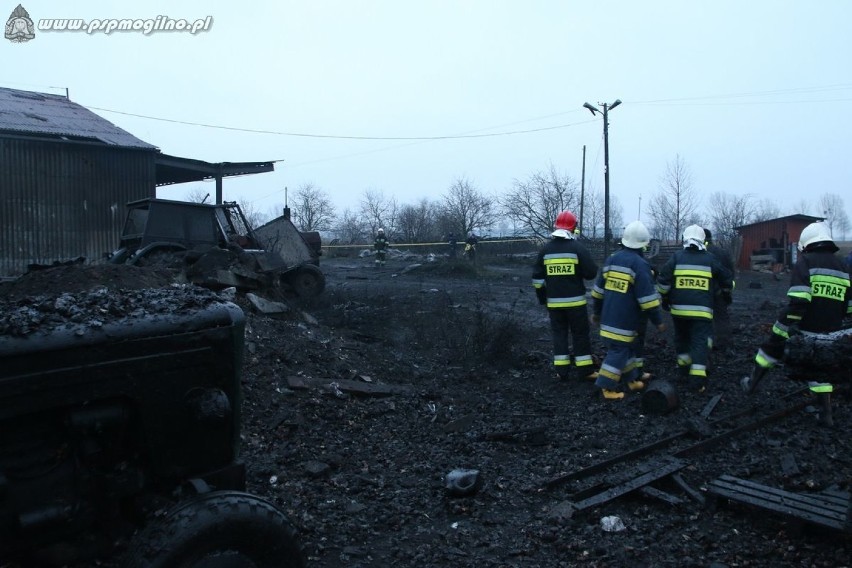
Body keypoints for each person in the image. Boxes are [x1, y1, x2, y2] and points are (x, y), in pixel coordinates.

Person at [741, 222, 851, 427]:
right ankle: (825, 414)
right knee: (822, 369)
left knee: (769, 350)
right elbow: (849, 307)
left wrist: (781, 328)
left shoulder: (806, 263)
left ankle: (751, 384)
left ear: (806, 244)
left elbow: (799, 302)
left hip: (804, 327)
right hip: (831, 331)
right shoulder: (843, 266)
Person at [591, 220, 666, 400]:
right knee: (619, 352)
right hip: (625, 321)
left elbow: (598, 291)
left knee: (626, 350)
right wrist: (658, 321)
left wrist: (596, 313)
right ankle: (606, 386)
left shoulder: (611, 260)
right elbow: (648, 300)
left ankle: (632, 380)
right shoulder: (640, 265)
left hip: (608, 319)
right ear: (644, 244)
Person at [656, 224, 733, 393]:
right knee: (699, 343)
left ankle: (684, 371)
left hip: (679, 311)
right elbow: (727, 279)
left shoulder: (676, 257)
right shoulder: (710, 259)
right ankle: (697, 381)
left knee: (681, 339)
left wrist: (666, 298)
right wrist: (726, 292)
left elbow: (662, 282)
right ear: (702, 240)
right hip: (701, 312)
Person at [532, 211, 599, 381]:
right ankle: (585, 371)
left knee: (559, 335)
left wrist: (543, 298)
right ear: (573, 227)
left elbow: (537, 280)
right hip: (576, 303)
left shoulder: (545, 250)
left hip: (554, 304)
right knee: (580, 335)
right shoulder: (577, 248)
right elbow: (591, 273)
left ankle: (562, 372)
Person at [704, 228, 736, 350]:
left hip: (704, 292)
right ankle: (725, 343)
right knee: (722, 317)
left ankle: (707, 343)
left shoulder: (701, 254)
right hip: (722, 292)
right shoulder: (723, 253)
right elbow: (730, 272)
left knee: (704, 319)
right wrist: (727, 290)